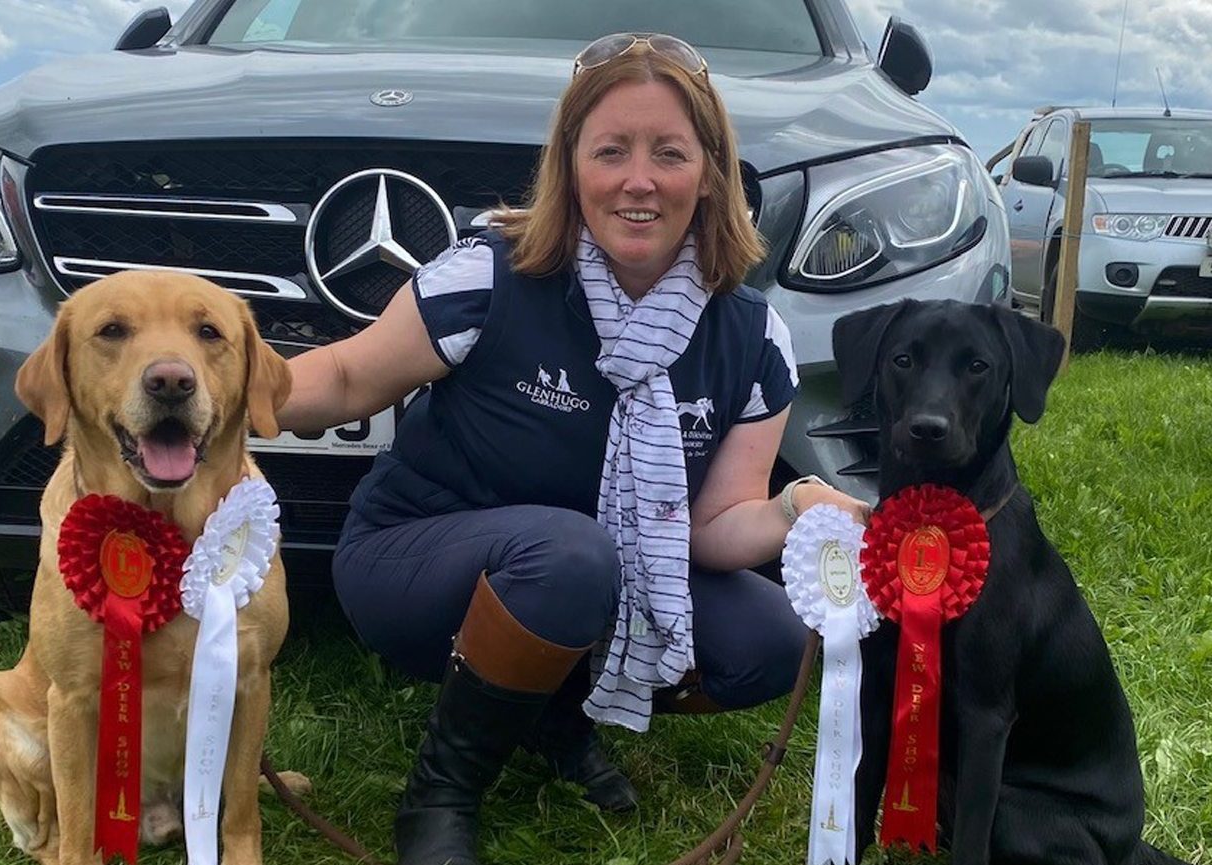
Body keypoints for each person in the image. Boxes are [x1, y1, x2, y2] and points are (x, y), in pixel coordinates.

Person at [277, 32, 869, 865]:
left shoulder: (750, 332)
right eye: (612, 151)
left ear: (709, 171)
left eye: (669, 152)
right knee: (571, 557)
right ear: (571, 164)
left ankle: (546, 712)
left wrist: (795, 503)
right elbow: (342, 379)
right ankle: (441, 793)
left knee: (768, 637)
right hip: (414, 560)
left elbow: (716, 526)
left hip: (593, 574)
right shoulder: (492, 272)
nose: (639, 180)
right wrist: (222, 396)